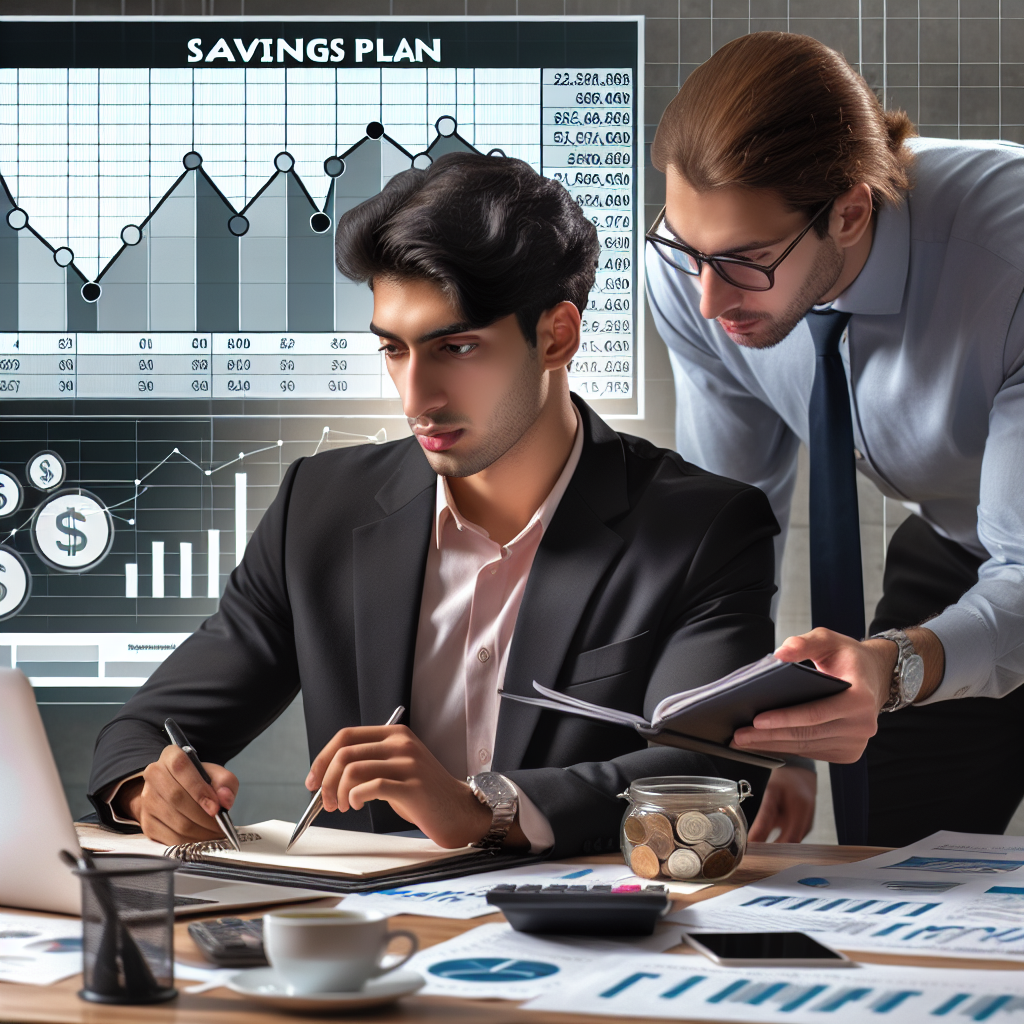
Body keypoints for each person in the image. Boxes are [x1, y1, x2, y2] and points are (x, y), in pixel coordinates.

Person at [88, 152, 781, 858]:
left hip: (580, 914)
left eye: (456, 347)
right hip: (358, 923)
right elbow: (143, 734)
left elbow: (710, 770)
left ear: (557, 336)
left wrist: (485, 807)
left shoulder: (705, 527)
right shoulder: (318, 508)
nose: (416, 398)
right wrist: (150, 789)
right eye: (394, 350)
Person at [646, 31, 1024, 847]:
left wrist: (894, 667)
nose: (708, 300)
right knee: (888, 860)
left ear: (849, 212)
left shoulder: (1010, 258)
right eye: (688, 250)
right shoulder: (696, 274)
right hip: (959, 546)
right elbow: (733, 525)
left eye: (746, 260)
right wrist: (763, 728)